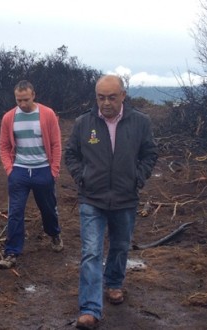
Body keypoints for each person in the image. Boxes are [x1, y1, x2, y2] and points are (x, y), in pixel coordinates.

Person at [64, 75, 158, 329]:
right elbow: (71, 153)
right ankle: (90, 308)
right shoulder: (84, 123)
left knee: (120, 245)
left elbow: (150, 153)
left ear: (123, 96)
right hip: (91, 198)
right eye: (101, 97)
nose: (105, 103)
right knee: (91, 252)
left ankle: (114, 283)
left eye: (111, 97)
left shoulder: (140, 122)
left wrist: (137, 178)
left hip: (125, 197)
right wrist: (82, 177)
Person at [0, 80, 63, 269]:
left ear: (33, 95)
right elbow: (4, 145)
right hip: (19, 171)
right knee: (15, 212)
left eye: (26, 99)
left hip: (43, 170)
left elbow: (56, 144)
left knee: (48, 209)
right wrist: (10, 169)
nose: (22, 104)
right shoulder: (9, 117)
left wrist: (54, 171)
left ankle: (54, 234)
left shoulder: (47, 114)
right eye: (19, 100)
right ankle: (11, 252)